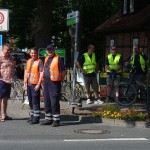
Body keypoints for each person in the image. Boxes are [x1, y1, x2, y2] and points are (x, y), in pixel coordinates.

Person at [41, 44, 66, 127]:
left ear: (54, 50)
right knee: (46, 100)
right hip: (46, 82)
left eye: (51, 50)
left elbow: (63, 72)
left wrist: (60, 80)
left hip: (55, 83)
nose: (49, 51)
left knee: (54, 101)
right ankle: (48, 119)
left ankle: (56, 120)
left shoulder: (58, 59)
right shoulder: (46, 58)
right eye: (48, 50)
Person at [23, 47, 43, 124]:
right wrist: (24, 84)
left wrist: (38, 84)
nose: (33, 54)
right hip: (29, 84)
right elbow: (26, 73)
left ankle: (36, 118)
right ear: (30, 53)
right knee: (30, 101)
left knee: (35, 102)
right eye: (32, 53)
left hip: (35, 85)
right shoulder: (28, 61)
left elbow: (41, 73)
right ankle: (32, 117)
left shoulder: (39, 61)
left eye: (34, 53)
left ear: (37, 53)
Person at [0, 43, 15, 122]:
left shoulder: (10, 57)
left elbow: (13, 66)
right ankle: (0, 115)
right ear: (3, 49)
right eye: (7, 50)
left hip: (8, 80)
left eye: (9, 50)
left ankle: (4, 114)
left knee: (5, 98)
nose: (8, 51)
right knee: (0, 98)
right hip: (1, 79)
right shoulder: (0, 57)